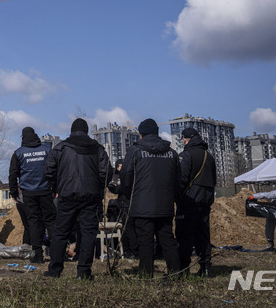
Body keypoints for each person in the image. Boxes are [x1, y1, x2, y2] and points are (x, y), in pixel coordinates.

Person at [42, 118, 109, 280]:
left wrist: (57, 187)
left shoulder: (61, 148)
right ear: (86, 131)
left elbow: (48, 170)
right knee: (88, 234)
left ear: (71, 131)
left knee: (60, 232)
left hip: (67, 195)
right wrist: (98, 190)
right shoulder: (98, 148)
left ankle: (55, 270)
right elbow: (105, 173)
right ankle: (84, 272)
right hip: (90, 197)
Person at [120, 118, 182, 278]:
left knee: (145, 242)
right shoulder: (172, 153)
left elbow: (125, 177)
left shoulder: (135, 151)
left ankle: (146, 275)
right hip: (165, 205)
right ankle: (176, 273)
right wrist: (172, 198)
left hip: (141, 206)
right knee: (168, 240)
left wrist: (129, 196)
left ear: (141, 135)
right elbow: (178, 180)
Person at [9, 127, 56, 264]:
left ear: (23, 137)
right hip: (46, 191)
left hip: (29, 194)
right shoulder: (47, 150)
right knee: (51, 222)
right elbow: (55, 169)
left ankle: (38, 256)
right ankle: (56, 253)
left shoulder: (18, 153)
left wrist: (13, 192)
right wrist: (56, 187)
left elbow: (13, 174)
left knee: (34, 223)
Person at [175, 127, 217, 277]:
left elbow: (182, 179)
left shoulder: (186, 155)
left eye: (184, 139)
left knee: (184, 235)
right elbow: (214, 180)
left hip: (189, 201)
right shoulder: (209, 156)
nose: (183, 141)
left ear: (188, 139)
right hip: (205, 201)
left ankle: (183, 268)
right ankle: (205, 268)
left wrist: (176, 196)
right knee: (203, 234)